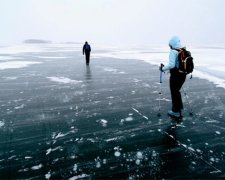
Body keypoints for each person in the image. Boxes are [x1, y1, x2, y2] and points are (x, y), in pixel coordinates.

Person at [160, 36, 186, 118]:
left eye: (170, 45)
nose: (170, 46)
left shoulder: (173, 52)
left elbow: (171, 65)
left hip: (176, 76)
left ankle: (176, 111)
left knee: (174, 92)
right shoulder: (183, 50)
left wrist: (162, 69)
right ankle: (179, 108)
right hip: (183, 75)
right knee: (177, 91)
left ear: (172, 44)